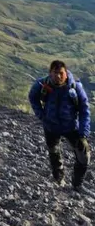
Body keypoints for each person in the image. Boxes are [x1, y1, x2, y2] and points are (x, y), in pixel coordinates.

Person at [29, 60, 91, 190]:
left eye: (61, 73)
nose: (58, 76)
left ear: (66, 74)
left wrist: (83, 133)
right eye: (55, 73)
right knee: (54, 153)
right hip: (51, 127)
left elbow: (84, 110)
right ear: (50, 73)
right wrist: (41, 115)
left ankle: (76, 183)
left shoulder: (75, 87)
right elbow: (32, 97)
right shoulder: (42, 84)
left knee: (84, 156)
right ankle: (59, 178)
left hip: (71, 127)